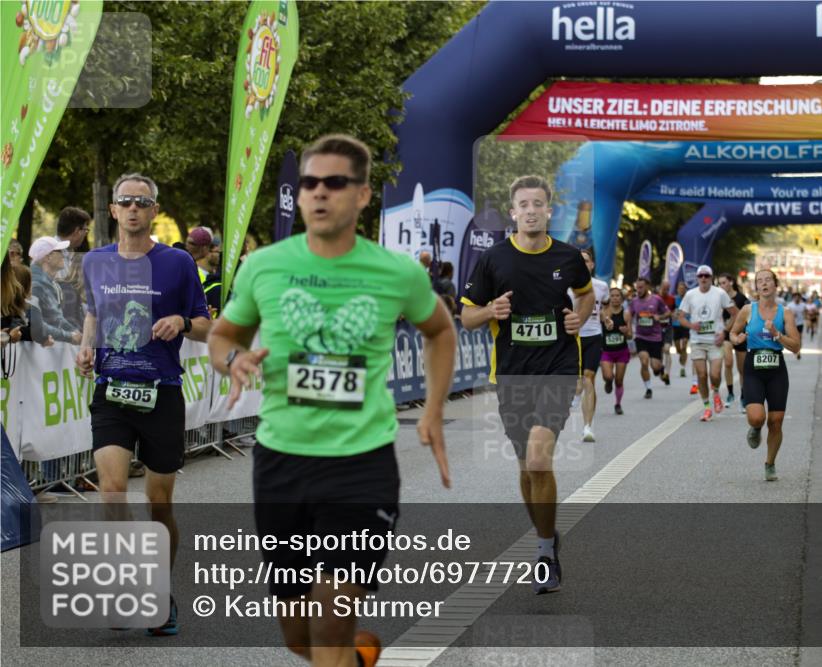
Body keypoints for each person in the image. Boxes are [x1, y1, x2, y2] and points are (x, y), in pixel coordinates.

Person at [209, 135, 455, 667]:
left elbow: (440, 331)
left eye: (335, 183)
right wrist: (235, 362)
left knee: (327, 623)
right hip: (281, 463)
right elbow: (222, 337)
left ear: (363, 195)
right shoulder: (264, 266)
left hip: (360, 466)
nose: (319, 194)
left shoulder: (397, 272)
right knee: (299, 637)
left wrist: (433, 409)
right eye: (309, 184)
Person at [75, 172, 212, 637]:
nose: (133, 208)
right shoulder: (95, 261)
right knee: (112, 490)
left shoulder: (176, 263)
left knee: (159, 504)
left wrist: (180, 321)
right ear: (113, 210)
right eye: (125, 201)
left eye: (142, 201)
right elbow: (93, 311)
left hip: (162, 393)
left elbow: (205, 324)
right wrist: (86, 346)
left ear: (154, 210)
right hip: (111, 389)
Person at [461, 174, 594, 596]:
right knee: (525, 466)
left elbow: (586, 295)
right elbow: (466, 317)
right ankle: (547, 534)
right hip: (513, 374)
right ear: (513, 212)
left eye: (539, 203)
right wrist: (491, 310)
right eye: (524, 204)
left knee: (539, 460)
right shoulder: (494, 260)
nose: (532, 210)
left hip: (557, 369)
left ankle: (544, 553)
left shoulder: (569, 256)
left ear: (549, 211)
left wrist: (581, 317)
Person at [728, 269, 801, 481]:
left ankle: (770, 463)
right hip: (754, 368)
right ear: (756, 287)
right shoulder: (747, 310)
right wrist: (737, 339)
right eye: (759, 281)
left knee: (776, 421)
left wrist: (777, 335)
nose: (764, 283)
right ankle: (755, 427)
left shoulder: (785, 313)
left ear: (775, 285)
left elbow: (796, 346)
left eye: (768, 280)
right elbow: (732, 333)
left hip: (777, 368)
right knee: (757, 417)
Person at [676, 265, 738, 422]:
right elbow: (681, 316)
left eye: (706, 276)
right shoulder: (690, 295)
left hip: (715, 342)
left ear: (711, 278)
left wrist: (724, 332)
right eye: (701, 276)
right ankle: (706, 408)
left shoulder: (719, 293)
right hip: (697, 342)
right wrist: (691, 325)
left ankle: (716, 392)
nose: (703, 278)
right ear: (697, 278)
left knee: (715, 374)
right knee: (702, 375)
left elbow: (735, 314)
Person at [571, 249, 609, 441]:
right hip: (573, 338)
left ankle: (587, 427)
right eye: (579, 261)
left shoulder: (601, 286)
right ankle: (576, 397)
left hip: (594, 336)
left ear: (591, 264)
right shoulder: (567, 287)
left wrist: (606, 318)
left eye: (585, 261)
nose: (582, 264)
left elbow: (605, 305)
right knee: (578, 382)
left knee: (589, 378)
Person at [28, 236, 82, 344]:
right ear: (48, 257)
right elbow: (37, 326)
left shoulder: (48, 283)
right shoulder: (37, 284)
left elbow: (56, 318)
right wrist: (70, 336)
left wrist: (75, 332)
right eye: (59, 251)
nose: (63, 254)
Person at [629, 276, 668, 399]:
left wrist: (659, 317)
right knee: (644, 361)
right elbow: (629, 316)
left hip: (655, 338)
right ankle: (648, 388)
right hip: (641, 337)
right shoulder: (634, 301)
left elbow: (667, 312)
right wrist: (629, 328)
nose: (638, 290)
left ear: (647, 287)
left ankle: (660, 368)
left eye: (641, 287)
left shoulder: (656, 300)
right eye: (637, 288)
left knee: (655, 367)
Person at [54, 206, 91, 330]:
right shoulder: (50, 254)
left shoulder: (69, 253)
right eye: (86, 230)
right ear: (77, 231)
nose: (86, 234)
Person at [718, 272, 748, 408]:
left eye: (724, 282)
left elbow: (748, 316)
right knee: (728, 363)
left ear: (731, 282)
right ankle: (730, 393)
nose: (722, 285)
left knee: (742, 369)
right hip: (726, 335)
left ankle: (743, 396)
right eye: (719, 283)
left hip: (740, 335)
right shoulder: (718, 298)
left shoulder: (742, 298)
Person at [600, 286, 632, 415]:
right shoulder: (604, 312)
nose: (614, 298)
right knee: (608, 376)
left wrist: (626, 333)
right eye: (612, 296)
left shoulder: (626, 313)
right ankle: (608, 382)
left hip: (621, 351)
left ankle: (618, 404)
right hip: (606, 351)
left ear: (622, 298)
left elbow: (630, 335)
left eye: (617, 295)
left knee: (619, 380)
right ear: (609, 298)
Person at [671, 281, 691, 388]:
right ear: (678, 290)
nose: (681, 290)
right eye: (680, 288)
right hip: (676, 325)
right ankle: (681, 355)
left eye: (683, 288)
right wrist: (674, 314)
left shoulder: (689, 300)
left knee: (684, 345)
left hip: (686, 325)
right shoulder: (674, 300)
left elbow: (692, 311)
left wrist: (686, 314)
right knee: (678, 347)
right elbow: (671, 312)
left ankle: (682, 367)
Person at [657, 281, 675, 385]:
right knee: (659, 355)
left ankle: (667, 373)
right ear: (660, 287)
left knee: (667, 349)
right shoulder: (654, 299)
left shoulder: (671, 299)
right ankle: (662, 373)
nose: (665, 291)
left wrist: (673, 314)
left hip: (668, 328)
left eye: (667, 289)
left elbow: (673, 311)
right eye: (664, 288)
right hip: (656, 329)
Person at [786, 292, 807, 361]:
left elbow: (805, 312)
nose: (797, 298)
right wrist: (791, 315)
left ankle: (798, 352)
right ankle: (795, 349)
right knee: (794, 338)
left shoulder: (803, 305)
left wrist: (805, 315)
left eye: (798, 297)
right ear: (793, 298)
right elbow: (786, 314)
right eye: (795, 297)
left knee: (799, 338)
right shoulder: (790, 305)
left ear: (800, 298)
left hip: (800, 323)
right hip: (792, 324)